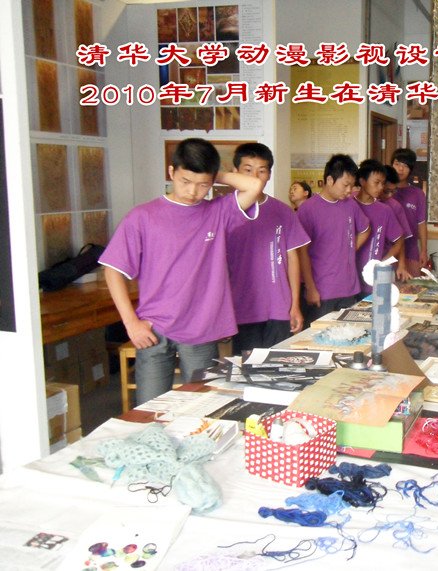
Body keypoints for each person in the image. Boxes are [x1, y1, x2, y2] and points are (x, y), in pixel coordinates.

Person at [100, 138, 265, 405]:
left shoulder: (218, 212)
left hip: (201, 328)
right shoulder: (143, 216)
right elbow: (112, 271)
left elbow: (254, 186)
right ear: (171, 172)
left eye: (203, 185)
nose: (192, 191)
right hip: (153, 328)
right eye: (185, 181)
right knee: (150, 407)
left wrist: (213, 174)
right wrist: (131, 323)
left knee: (201, 406)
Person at [226, 143, 310, 354]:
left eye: (261, 171)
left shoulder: (283, 211)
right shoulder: (224, 211)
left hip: (279, 308)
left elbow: (293, 258)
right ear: (235, 172)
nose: (255, 177)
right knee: (246, 368)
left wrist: (295, 305)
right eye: (247, 170)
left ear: (269, 174)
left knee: (278, 365)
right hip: (242, 308)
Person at [297, 154, 370, 324]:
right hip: (322, 291)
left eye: (352, 185)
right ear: (330, 180)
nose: (349, 190)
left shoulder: (350, 204)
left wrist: (349, 249)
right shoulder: (308, 209)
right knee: (319, 336)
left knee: (349, 335)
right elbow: (301, 253)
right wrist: (310, 287)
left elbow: (365, 229)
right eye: (345, 185)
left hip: (349, 288)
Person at [354, 160, 404, 294]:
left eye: (382, 183)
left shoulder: (384, 210)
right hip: (350, 280)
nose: (381, 187)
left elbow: (399, 241)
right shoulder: (349, 205)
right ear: (362, 181)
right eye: (376, 182)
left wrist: (382, 264)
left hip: (374, 280)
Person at [391, 148, 428, 277]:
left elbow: (421, 223)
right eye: (397, 164)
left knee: (411, 286)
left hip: (411, 250)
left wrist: (423, 250)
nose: (400, 169)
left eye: (405, 166)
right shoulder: (383, 192)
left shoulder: (417, 194)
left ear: (411, 169)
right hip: (388, 250)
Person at [383, 164, 414, 281]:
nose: (390, 195)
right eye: (387, 191)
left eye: (393, 191)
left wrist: (401, 265)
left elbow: (401, 239)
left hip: (387, 259)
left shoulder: (395, 206)